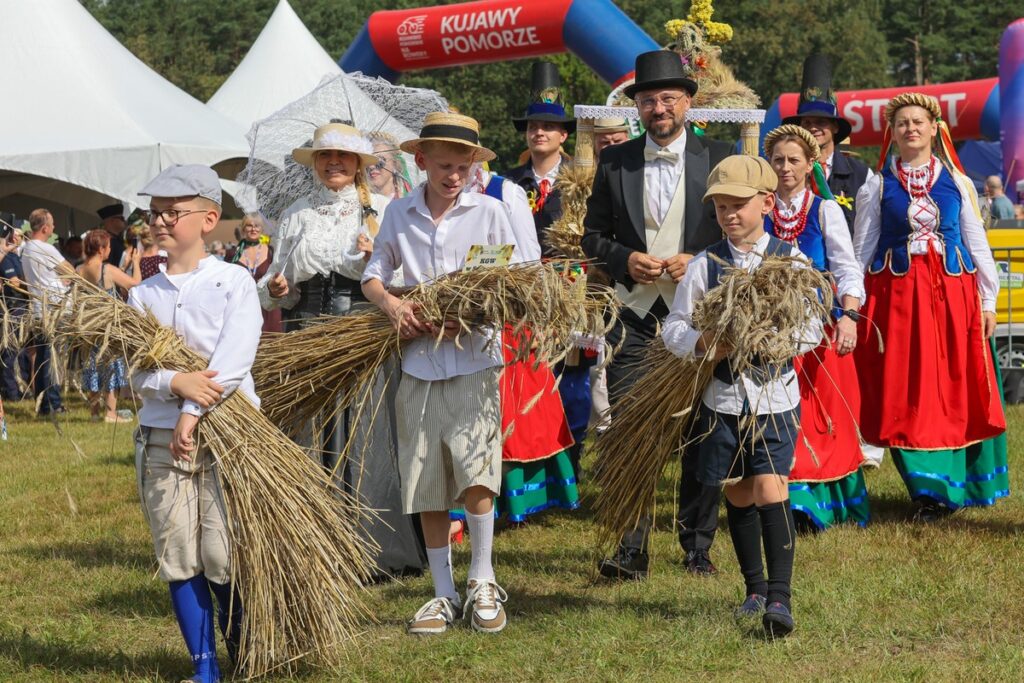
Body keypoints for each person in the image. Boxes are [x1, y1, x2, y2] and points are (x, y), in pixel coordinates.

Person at [362, 111, 520, 635]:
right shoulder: (398, 214)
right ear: (421, 161)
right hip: (419, 362)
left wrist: (465, 312)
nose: (454, 176)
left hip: (474, 356)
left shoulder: (492, 212)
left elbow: (511, 281)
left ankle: (482, 580)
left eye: (463, 166)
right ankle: (442, 593)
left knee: (477, 468)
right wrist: (391, 306)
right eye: (444, 165)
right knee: (426, 477)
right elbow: (373, 274)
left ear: (475, 165)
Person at [582, 49, 732, 580]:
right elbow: (591, 236)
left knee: (701, 431)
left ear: (688, 102)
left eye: (668, 98)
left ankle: (697, 548)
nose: (659, 108)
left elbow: (734, 231)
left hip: (697, 318)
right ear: (637, 108)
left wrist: (699, 259)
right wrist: (626, 259)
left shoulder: (719, 155)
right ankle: (631, 548)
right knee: (629, 431)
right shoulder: (615, 161)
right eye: (648, 100)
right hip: (634, 317)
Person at [664, 154, 820, 637]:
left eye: (739, 205)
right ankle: (753, 588)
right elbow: (673, 327)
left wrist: (775, 338)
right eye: (720, 208)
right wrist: (702, 343)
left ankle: (781, 597)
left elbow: (813, 326)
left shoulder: (790, 260)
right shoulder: (704, 265)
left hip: (774, 396)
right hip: (722, 399)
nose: (730, 215)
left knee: (772, 486)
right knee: (737, 488)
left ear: (767, 203)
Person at [259, 122, 424, 580]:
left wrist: (375, 258)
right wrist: (278, 285)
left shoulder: (383, 210)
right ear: (314, 163)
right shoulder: (295, 214)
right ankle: (316, 548)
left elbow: (401, 276)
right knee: (311, 432)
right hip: (307, 330)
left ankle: (373, 550)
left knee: (367, 431)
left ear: (358, 165)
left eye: (343, 157)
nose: (334, 163)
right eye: (325, 156)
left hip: (361, 331)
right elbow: (279, 286)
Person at [129, 164, 258, 682]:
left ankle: (244, 648)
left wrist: (193, 408)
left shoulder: (234, 281)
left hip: (229, 436)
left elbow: (235, 357)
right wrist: (173, 384)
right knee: (178, 552)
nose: (160, 221)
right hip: (162, 439)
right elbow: (136, 370)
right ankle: (203, 667)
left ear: (209, 218)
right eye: (154, 211)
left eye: (172, 211)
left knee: (222, 552)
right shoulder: (142, 295)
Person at [853, 92, 1007, 521]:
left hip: (952, 297)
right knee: (904, 388)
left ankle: (952, 484)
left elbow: (976, 240)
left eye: (918, 121)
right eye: (902, 122)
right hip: (897, 300)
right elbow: (862, 248)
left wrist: (988, 300)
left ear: (935, 128)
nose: (911, 129)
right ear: (892, 132)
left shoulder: (957, 181)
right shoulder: (877, 185)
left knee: (953, 386)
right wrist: (852, 304)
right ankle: (925, 491)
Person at [763, 125, 869, 531]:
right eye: (778, 160)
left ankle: (820, 504)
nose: (785, 167)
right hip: (770, 332)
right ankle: (787, 502)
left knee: (823, 417)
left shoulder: (824, 210)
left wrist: (849, 316)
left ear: (810, 165)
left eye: (793, 160)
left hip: (819, 331)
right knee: (781, 418)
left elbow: (847, 268)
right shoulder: (762, 210)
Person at [463, 162, 577, 525]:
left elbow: (528, 259)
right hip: (454, 318)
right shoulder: (426, 196)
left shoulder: (505, 191)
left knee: (511, 412)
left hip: (504, 314)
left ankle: (507, 503)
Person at [783, 54, 872, 235]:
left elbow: (870, 229)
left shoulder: (861, 175)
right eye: (807, 123)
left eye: (821, 122)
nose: (813, 128)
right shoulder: (784, 170)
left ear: (835, 127)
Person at [505, 61, 576, 252]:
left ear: (563, 135)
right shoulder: (509, 182)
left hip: (572, 275)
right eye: (533, 127)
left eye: (548, 126)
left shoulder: (581, 180)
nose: (539, 132)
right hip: (521, 275)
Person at [77, 229, 141, 422]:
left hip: (89, 325)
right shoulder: (107, 269)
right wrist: (136, 263)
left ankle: (94, 413)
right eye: (109, 246)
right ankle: (111, 413)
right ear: (101, 249)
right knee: (112, 366)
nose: (110, 250)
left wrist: (125, 264)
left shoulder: (79, 269)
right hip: (108, 326)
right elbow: (135, 284)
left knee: (93, 366)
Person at [21, 209, 69, 416]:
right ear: (45, 227)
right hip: (53, 310)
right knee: (52, 359)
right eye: (52, 224)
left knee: (42, 357)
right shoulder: (45, 248)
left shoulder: (26, 249)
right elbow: (69, 270)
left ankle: (43, 403)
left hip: (40, 309)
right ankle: (53, 404)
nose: (54, 228)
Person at [226, 214, 282, 333]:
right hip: (241, 307)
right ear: (243, 229)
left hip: (267, 308)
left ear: (261, 229)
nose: (253, 229)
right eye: (249, 226)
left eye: (257, 226)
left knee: (269, 344)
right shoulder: (232, 253)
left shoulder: (271, 251)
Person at [0, 227, 30, 401]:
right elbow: (14, 283)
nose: (17, 238)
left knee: (21, 352)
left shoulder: (14, 256)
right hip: (12, 308)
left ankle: (21, 388)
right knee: (10, 352)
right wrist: (31, 285)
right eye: (14, 234)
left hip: (21, 306)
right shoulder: (6, 258)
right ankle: (12, 392)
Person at [367, 131, 412, 199]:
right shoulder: (355, 201)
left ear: (395, 163)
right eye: (368, 161)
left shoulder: (408, 200)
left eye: (380, 160)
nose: (371, 166)